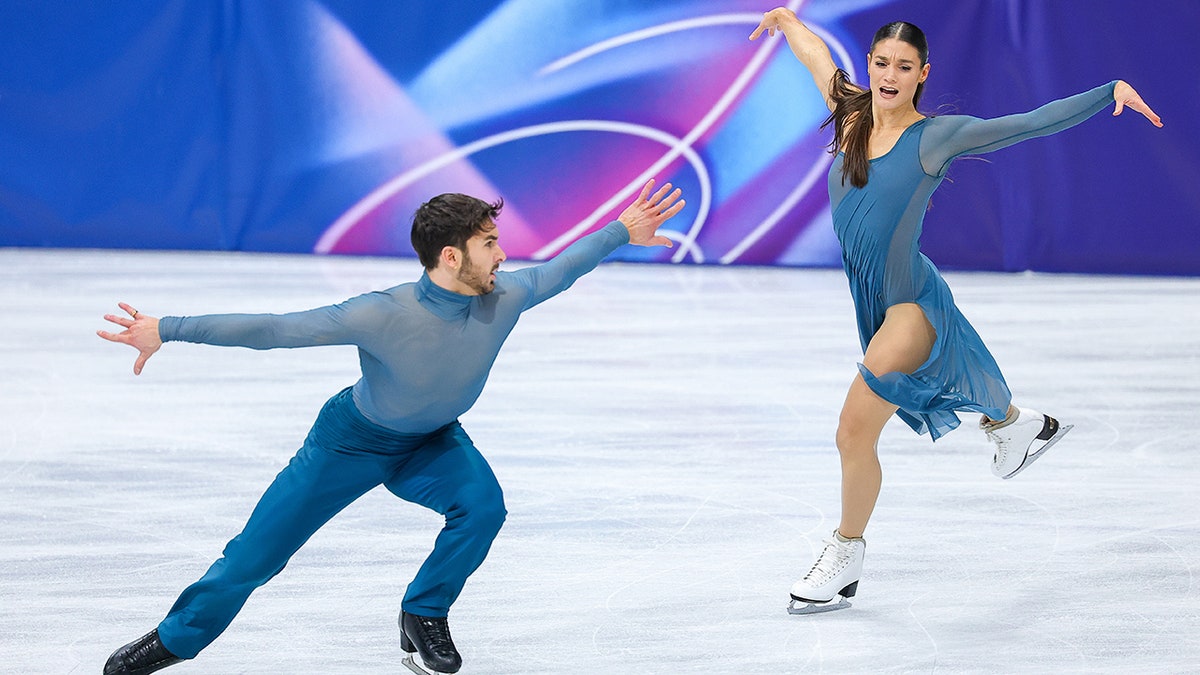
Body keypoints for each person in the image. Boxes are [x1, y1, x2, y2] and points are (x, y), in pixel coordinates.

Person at [98, 179, 685, 674]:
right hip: (349, 444)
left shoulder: (504, 296)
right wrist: (168, 327)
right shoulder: (381, 311)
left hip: (433, 443)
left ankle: (424, 611)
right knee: (255, 556)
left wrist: (620, 232)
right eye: (489, 243)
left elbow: (563, 270)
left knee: (483, 507)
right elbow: (275, 329)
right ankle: (173, 639)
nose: (502, 255)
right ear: (451, 256)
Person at [748, 8, 1162, 614]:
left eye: (905, 67)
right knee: (861, 429)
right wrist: (787, 21)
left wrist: (1108, 93)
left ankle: (845, 553)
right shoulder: (852, 113)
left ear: (922, 74)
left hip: (911, 305)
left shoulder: (935, 137)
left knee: (852, 430)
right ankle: (1014, 424)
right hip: (877, 301)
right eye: (882, 63)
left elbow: (1025, 124)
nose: (891, 75)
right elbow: (816, 58)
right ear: (870, 67)